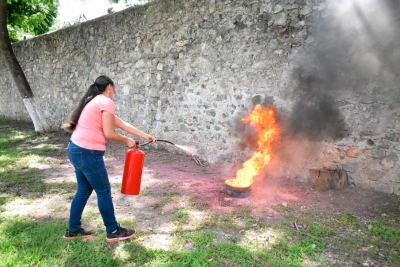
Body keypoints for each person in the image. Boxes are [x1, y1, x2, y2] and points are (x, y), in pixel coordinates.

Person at [62, 75, 156, 242]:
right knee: (103, 191)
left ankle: (73, 230)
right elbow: (110, 133)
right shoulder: (106, 102)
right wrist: (127, 141)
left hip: (76, 149)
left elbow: (124, 124)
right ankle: (112, 230)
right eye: (114, 88)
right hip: (87, 153)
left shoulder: (95, 101)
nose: (115, 91)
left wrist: (144, 135)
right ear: (110, 87)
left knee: (84, 189)